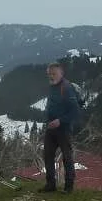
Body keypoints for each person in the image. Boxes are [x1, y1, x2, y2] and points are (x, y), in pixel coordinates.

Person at [39, 61, 81, 193]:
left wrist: (60, 121)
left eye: (54, 74)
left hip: (63, 129)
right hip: (51, 128)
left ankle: (69, 186)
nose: (51, 76)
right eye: (49, 74)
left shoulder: (66, 88)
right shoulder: (53, 86)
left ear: (61, 73)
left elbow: (75, 111)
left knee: (67, 157)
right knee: (48, 155)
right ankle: (50, 184)